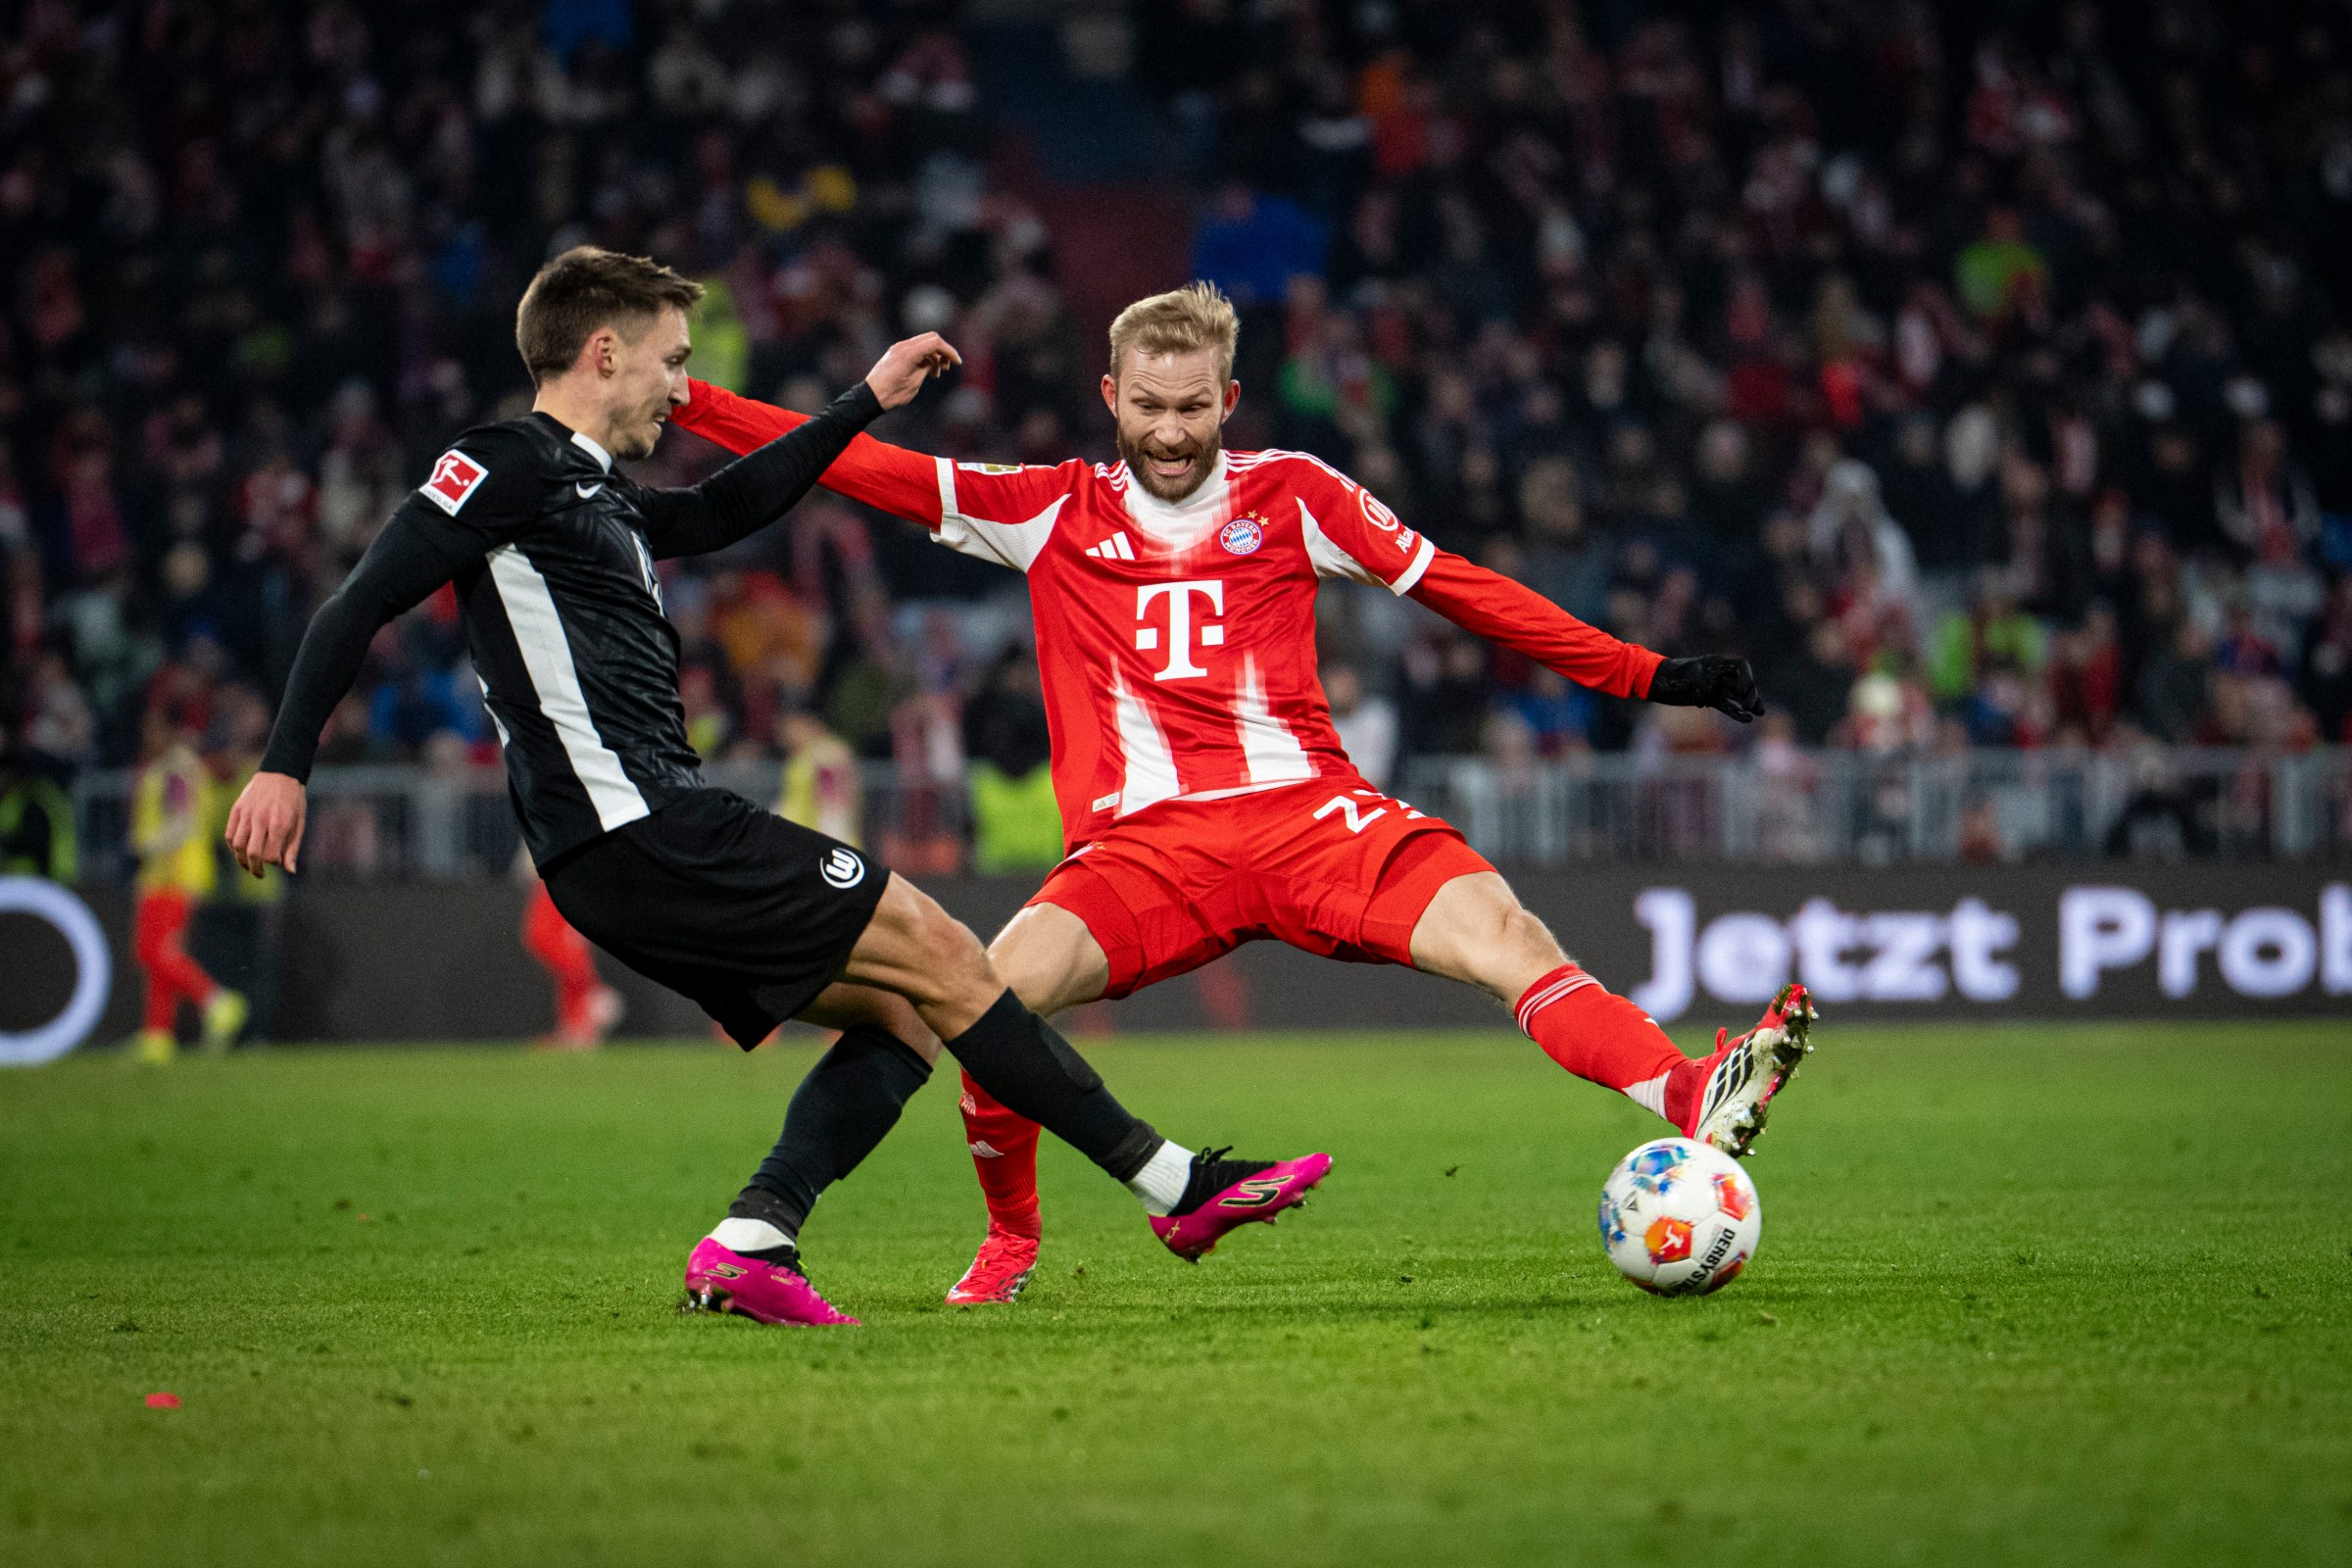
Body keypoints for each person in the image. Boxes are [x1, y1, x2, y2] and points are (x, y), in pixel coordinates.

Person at [224, 248, 1326, 1327]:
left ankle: (753, 1240)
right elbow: (357, 600)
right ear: (604, 352)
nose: (679, 386)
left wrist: (861, 404)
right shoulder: (503, 463)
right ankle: (1173, 1184)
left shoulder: (594, 489)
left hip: (631, 842)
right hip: (639, 823)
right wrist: (284, 764)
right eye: (670, 362)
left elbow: (717, 512)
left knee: (907, 1012)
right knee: (947, 949)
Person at [671, 281, 1818, 1308]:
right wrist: (688, 404)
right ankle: (1011, 1241)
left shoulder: (1299, 493)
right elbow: (846, 461)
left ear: (1230, 397)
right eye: (1150, 409)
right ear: (1111, 394)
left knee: (1508, 933)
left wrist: (1645, 673)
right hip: (1142, 853)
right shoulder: (1044, 506)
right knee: (984, 1004)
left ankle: (1687, 1089)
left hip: (1312, 819)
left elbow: (1463, 590)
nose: (1172, 435)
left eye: (1195, 409)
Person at [130, 710, 247, 1063]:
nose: (148, 738)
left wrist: (150, 844)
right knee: (161, 955)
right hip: (171, 874)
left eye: (153, 730)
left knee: (155, 951)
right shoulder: (180, 767)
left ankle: (216, 1000)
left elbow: (182, 821)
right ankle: (157, 1037)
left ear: (168, 731)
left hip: (171, 874)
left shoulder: (173, 770)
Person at [515, 847, 623, 1051]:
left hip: (567, 883)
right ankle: (579, 1023)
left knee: (574, 965)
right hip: (556, 881)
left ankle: (579, 1025)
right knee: (570, 964)